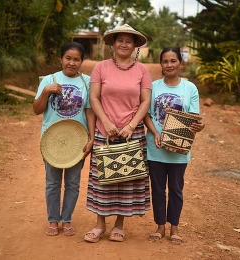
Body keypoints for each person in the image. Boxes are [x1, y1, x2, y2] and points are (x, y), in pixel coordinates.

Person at [84, 24, 152, 243]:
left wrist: (131, 126)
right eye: (120, 40)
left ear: (135, 46)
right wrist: (105, 121)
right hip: (105, 131)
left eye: (128, 41)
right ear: (113, 44)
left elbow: (145, 101)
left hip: (132, 133)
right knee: (102, 179)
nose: (124, 44)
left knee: (126, 178)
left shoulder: (142, 70)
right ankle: (99, 225)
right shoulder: (100, 68)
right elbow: (94, 98)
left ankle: (119, 225)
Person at [33, 42, 95, 236]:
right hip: (51, 141)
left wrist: (91, 138)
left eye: (76, 59)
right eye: (68, 58)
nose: (72, 63)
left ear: (81, 61)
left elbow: (90, 111)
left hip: (77, 141)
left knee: (73, 183)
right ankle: (53, 220)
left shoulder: (87, 82)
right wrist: (46, 92)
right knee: (52, 182)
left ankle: (66, 219)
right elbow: (36, 110)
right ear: (61, 59)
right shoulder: (49, 80)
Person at [144, 46, 205, 244]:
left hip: (179, 149)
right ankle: (160, 226)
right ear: (161, 64)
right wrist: (155, 133)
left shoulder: (190, 88)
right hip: (156, 148)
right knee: (158, 189)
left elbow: (194, 118)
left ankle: (174, 228)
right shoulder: (153, 87)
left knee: (176, 190)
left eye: (173, 61)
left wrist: (199, 125)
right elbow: (146, 115)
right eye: (165, 61)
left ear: (180, 63)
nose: (169, 65)